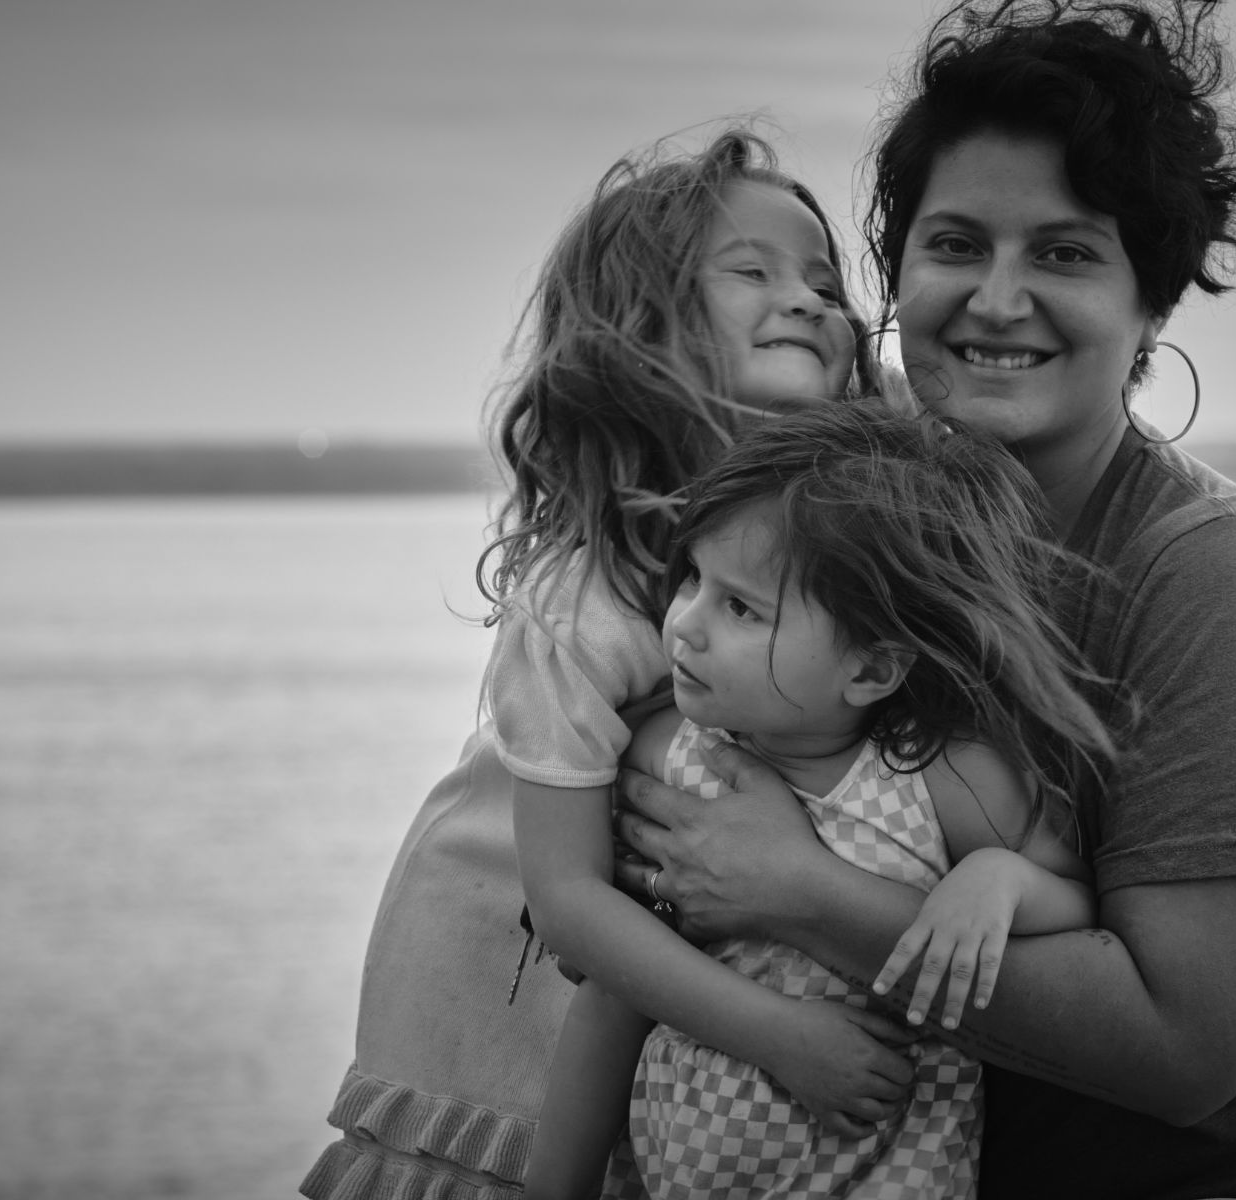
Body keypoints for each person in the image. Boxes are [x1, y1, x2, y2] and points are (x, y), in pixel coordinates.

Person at [612, 3, 1236, 1196]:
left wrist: (800, 894)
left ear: (1151, 301)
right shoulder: (851, 532)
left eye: (1064, 254)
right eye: (955, 245)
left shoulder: (1212, 581)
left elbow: (1187, 1047)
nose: (997, 301)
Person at [299, 127, 878, 1199]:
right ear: (640, 330)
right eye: (751, 272)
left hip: (656, 1047)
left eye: (822, 282)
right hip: (493, 1028)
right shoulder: (588, 597)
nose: (805, 300)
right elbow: (565, 905)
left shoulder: (833, 565)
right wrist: (783, 1036)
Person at [523, 404, 1118, 1198]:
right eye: (693, 578)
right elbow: (612, 995)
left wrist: (997, 881)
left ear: (870, 670)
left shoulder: (945, 780)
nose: (684, 625)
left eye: (741, 607)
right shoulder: (671, 763)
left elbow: (1076, 903)